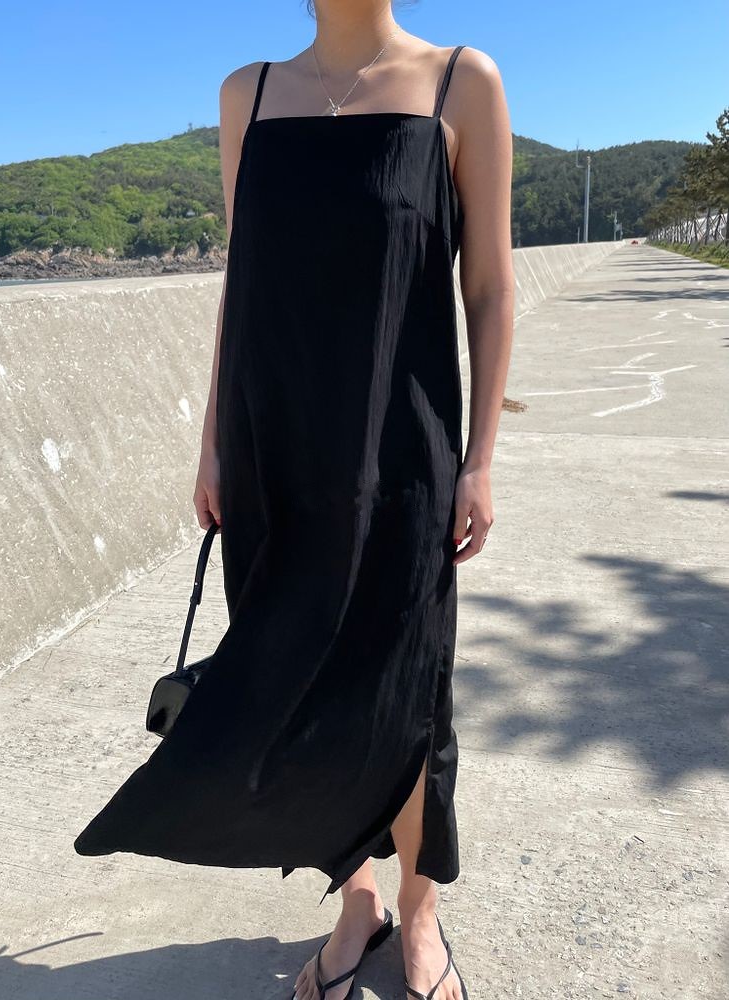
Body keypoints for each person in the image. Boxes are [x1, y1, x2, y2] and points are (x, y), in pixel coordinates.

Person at [74, 3, 514, 999]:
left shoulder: (461, 83)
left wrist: (480, 458)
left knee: (408, 692)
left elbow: (489, 285)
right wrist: (213, 440)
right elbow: (245, 283)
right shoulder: (251, 94)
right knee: (299, 690)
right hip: (274, 453)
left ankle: (421, 916)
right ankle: (356, 902)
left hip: (405, 455)